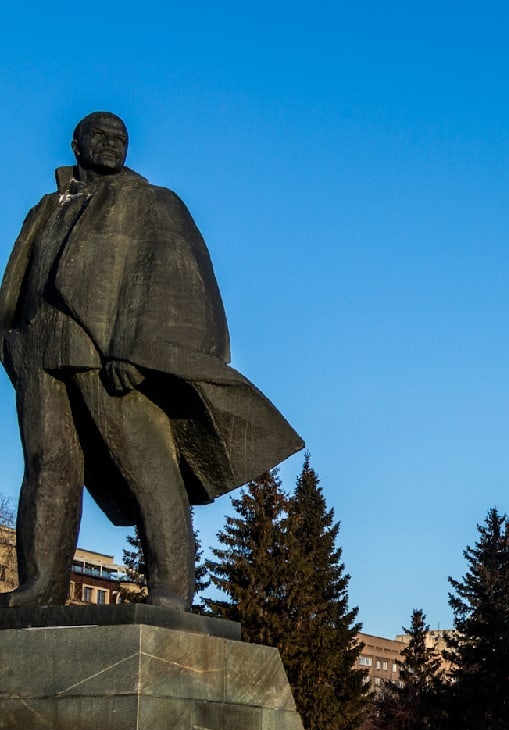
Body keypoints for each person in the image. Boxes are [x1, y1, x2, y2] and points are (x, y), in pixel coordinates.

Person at [0, 112, 300, 610]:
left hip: (104, 351)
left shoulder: (150, 201)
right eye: (101, 135)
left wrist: (138, 347)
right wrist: (10, 340)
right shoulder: (47, 207)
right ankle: (41, 584)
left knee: (146, 465)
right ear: (76, 144)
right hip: (38, 350)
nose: (112, 144)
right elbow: (19, 278)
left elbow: (178, 282)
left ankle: (170, 590)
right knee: (47, 466)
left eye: (121, 137)